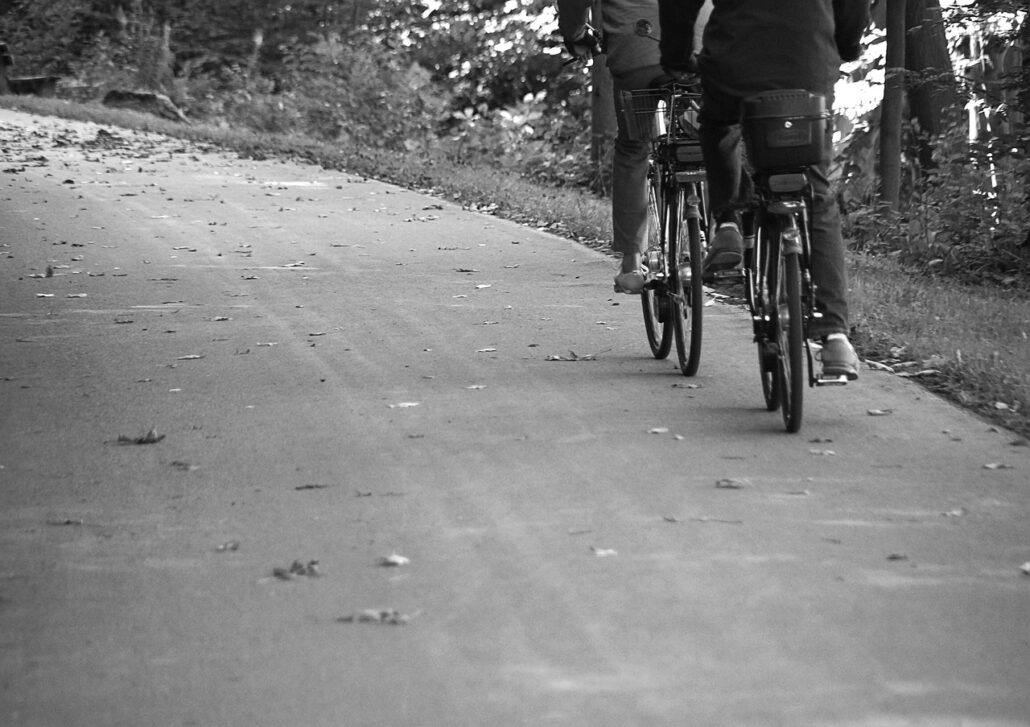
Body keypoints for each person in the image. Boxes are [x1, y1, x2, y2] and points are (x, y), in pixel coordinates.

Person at [657, 0, 869, 380]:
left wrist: (675, 56)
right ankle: (835, 335)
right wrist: (847, 45)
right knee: (816, 192)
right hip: (809, 64)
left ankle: (727, 221)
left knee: (718, 128)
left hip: (733, 69)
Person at [558, 0, 710, 294]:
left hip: (637, 50)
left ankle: (631, 265)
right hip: (699, 47)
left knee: (633, 149)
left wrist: (575, 34)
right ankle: (716, 236)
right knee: (711, 139)